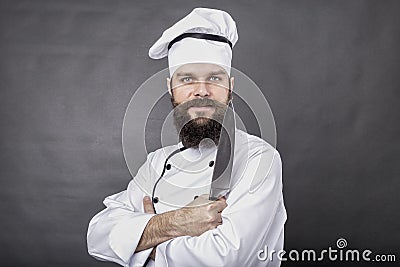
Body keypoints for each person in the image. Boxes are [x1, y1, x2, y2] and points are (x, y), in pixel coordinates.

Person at [87, 8, 286, 267]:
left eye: (214, 78)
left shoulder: (259, 160)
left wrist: (142, 241)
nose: (201, 91)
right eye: (187, 79)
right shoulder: (157, 162)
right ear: (171, 87)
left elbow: (223, 258)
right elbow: (98, 235)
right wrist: (177, 221)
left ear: (231, 88)